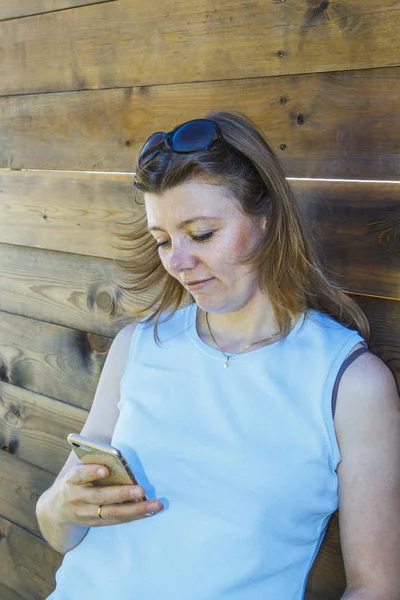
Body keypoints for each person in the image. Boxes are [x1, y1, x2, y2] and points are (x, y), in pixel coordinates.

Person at [37, 111, 400, 600]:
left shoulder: (350, 384)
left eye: (202, 234)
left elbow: (376, 588)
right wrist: (64, 504)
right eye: (162, 240)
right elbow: (59, 532)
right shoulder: (138, 346)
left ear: (266, 219)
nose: (178, 262)